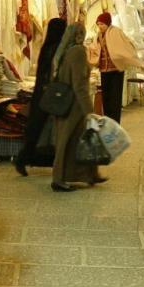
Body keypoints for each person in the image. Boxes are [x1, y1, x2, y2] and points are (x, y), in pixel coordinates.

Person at [51, 22, 106, 192]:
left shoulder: (65, 52)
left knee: (78, 141)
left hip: (65, 103)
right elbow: (79, 84)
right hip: (74, 105)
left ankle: (89, 174)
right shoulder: (78, 52)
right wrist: (89, 110)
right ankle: (59, 179)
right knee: (70, 142)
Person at [15, 17, 67, 176]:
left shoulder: (47, 47)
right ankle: (24, 159)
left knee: (38, 129)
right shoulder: (55, 49)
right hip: (49, 95)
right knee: (41, 129)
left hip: (42, 93)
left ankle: (27, 159)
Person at [94, 11, 144, 123]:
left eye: (102, 24)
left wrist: (120, 56)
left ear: (107, 23)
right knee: (106, 98)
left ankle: (115, 122)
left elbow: (124, 46)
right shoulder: (98, 35)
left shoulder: (116, 32)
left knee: (115, 98)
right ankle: (108, 121)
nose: (100, 26)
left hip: (116, 70)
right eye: (98, 24)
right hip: (104, 70)